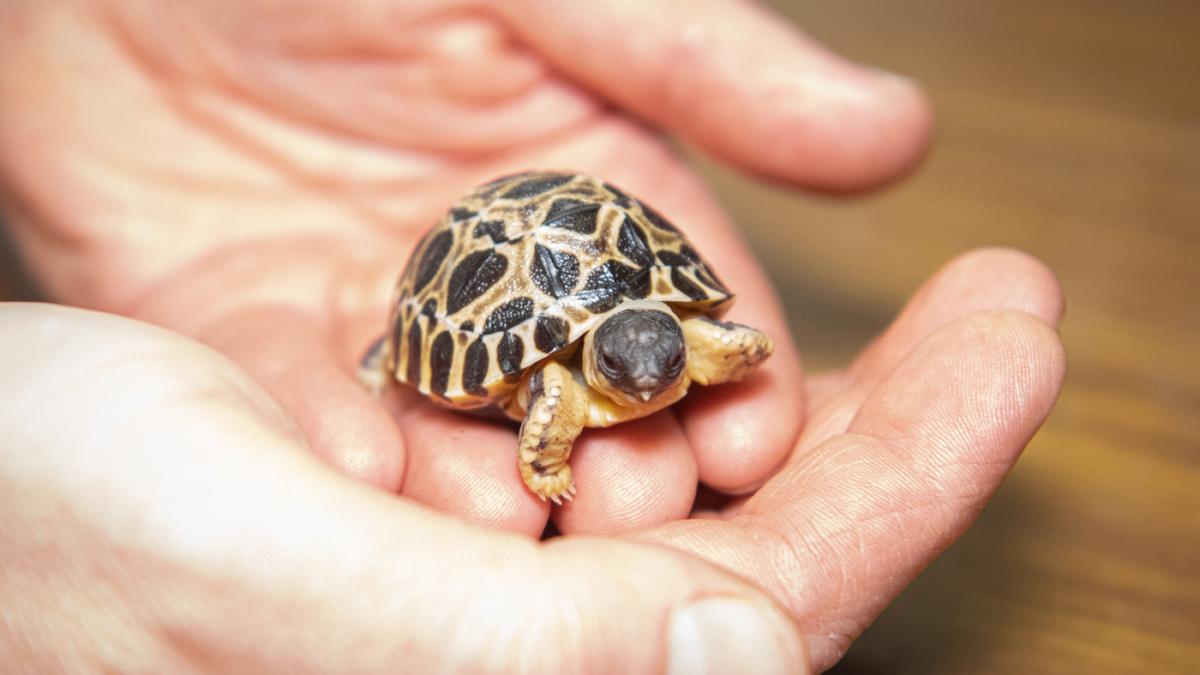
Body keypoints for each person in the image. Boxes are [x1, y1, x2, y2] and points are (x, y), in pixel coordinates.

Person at [0, 1, 1066, 671]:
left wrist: (725, 352)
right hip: (480, 267)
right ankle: (394, 350)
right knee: (462, 427)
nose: (645, 388)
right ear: (597, 361)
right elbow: (554, 400)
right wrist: (546, 454)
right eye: (622, 371)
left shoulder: (669, 348)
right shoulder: (565, 380)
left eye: (660, 362)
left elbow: (716, 348)